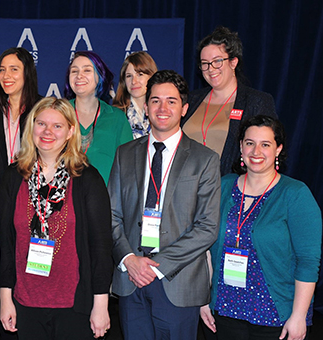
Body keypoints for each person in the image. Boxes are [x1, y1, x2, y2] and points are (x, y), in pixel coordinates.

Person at [109, 70, 221, 340]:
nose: (162, 108)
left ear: (184, 108)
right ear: (146, 107)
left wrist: (156, 265)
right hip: (131, 278)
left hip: (177, 280)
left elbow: (207, 227)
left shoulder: (204, 159)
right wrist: (129, 259)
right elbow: (111, 215)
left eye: (171, 101)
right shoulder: (126, 154)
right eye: (155, 100)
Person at [0, 97, 113, 339]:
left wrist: (100, 305)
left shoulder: (87, 179)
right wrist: (5, 298)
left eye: (57, 126)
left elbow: (101, 247)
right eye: (41, 124)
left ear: (71, 131)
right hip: (25, 302)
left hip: (75, 305)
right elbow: (4, 243)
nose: (47, 132)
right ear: (32, 127)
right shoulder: (13, 176)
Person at [200, 115, 322, 340]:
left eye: (265, 144)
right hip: (224, 310)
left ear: (278, 149)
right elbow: (207, 247)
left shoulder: (295, 194)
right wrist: (204, 299)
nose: (256, 151)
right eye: (250, 143)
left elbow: (308, 262)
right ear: (240, 147)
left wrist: (299, 315)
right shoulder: (224, 185)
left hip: (276, 315)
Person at [181, 26, 276, 176]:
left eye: (217, 61)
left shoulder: (256, 102)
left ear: (233, 62)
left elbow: (266, 151)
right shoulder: (191, 100)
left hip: (228, 190)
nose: (210, 68)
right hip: (185, 188)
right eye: (204, 63)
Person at [0, 47, 42, 209]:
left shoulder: (43, 109)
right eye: (2, 70)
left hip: (35, 196)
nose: (6, 76)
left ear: (27, 73)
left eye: (14, 69)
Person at [64, 51, 133, 183]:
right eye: (74, 71)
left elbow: (129, 168)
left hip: (105, 200)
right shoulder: (58, 114)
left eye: (87, 70)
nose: (79, 76)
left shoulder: (117, 118)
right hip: (64, 200)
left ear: (100, 76)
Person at [112, 51, 158, 139]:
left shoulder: (163, 111)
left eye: (140, 75)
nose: (134, 81)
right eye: (129, 76)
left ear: (152, 76)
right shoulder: (115, 115)